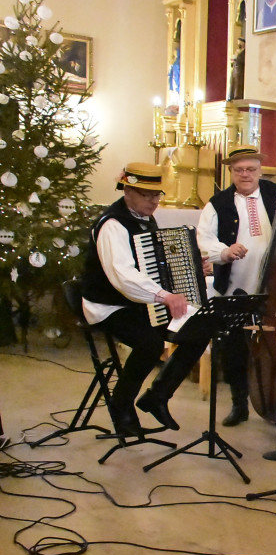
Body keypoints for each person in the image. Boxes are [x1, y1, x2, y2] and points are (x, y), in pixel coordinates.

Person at [80, 163, 208, 436]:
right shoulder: (113, 224)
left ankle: (157, 396)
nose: (154, 201)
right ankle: (121, 404)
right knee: (149, 342)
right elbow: (123, 276)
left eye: (157, 195)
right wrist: (164, 296)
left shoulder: (144, 218)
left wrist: (198, 267)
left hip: (138, 301)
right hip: (107, 305)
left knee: (197, 331)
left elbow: (152, 266)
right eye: (146, 195)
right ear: (127, 191)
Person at [196, 144, 276, 426]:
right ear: (231, 172)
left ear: (260, 170)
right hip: (235, 287)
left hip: (274, 288)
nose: (245, 175)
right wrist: (224, 252)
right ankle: (240, 405)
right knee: (235, 349)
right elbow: (203, 242)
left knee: (272, 349)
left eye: (250, 169)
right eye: (239, 170)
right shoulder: (218, 203)